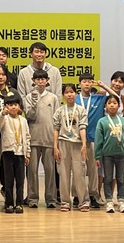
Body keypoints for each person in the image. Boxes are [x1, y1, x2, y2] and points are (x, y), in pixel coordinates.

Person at [23, 69, 59, 208]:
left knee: (50, 171)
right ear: (33, 81)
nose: (40, 81)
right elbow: (29, 116)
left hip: (49, 138)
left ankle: (51, 199)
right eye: (37, 79)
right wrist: (34, 101)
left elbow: (57, 119)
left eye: (43, 79)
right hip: (33, 138)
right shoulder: (28, 97)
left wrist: (56, 140)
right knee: (32, 171)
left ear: (47, 80)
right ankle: (32, 199)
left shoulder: (53, 98)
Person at [94, 94, 124, 213]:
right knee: (107, 178)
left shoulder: (123, 121)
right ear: (105, 106)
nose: (112, 105)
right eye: (109, 103)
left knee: (120, 179)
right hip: (107, 155)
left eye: (114, 103)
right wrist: (97, 156)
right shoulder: (102, 122)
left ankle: (121, 201)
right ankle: (109, 201)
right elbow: (98, 140)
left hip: (121, 154)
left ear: (118, 106)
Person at [53, 84, 88, 212]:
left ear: (76, 94)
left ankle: (83, 201)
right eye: (67, 92)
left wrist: (84, 144)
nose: (70, 94)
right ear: (63, 95)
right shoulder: (59, 111)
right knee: (64, 174)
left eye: (72, 92)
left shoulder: (81, 110)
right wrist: (55, 146)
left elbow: (82, 127)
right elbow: (56, 129)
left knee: (79, 173)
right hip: (63, 143)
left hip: (77, 144)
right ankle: (65, 201)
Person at [74, 72, 107, 208]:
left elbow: (116, 98)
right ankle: (77, 195)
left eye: (89, 81)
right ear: (79, 84)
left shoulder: (98, 98)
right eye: (84, 81)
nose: (87, 84)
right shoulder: (74, 98)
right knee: (77, 169)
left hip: (93, 139)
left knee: (93, 170)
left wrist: (102, 86)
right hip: (76, 139)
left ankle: (93, 195)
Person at [0, 63, 19, 203]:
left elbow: (20, 111)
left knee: (11, 168)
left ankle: (11, 200)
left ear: (7, 77)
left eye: (3, 74)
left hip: (11, 135)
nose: (0, 77)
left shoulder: (13, 92)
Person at [0, 95, 30, 213]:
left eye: (15, 105)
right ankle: (9, 203)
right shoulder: (4, 119)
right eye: (10, 105)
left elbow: (27, 137)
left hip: (20, 153)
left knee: (20, 180)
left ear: (19, 106)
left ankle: (19, 203)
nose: (13, 107)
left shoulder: (23, 120)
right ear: (6, 106)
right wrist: (2, 113)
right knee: (8, 180)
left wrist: (27, 154)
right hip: (8, 152)